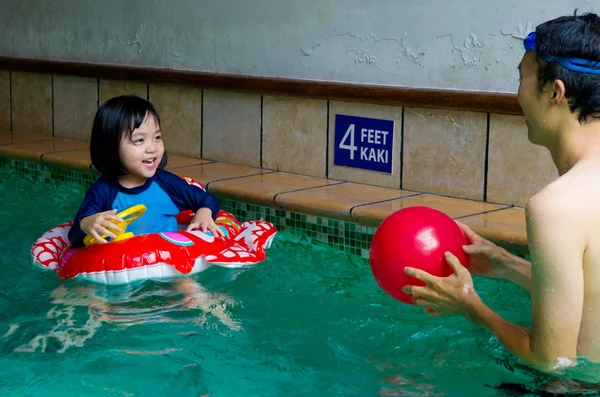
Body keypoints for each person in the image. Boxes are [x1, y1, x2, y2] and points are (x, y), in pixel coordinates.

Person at [402, 11, 600, 371]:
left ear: (555, 92)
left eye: (521, 76)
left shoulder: (556, 208)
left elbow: (552, 361)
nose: (517, 93)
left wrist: (470, 305)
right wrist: (508, 265)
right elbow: (589, 300)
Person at [68, 95, 224, 247]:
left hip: (170, 259)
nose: (152, 148)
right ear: (111, 149)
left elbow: (207, 199)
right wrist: (86, 224)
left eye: (157, 137)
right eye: (140, 140)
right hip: (124, 266)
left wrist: (203, 214)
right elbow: (75, 236)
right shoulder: (102, 192)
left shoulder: (166, 184)